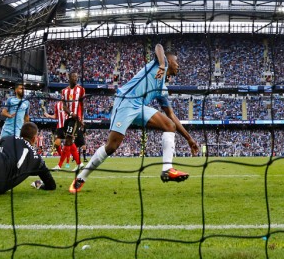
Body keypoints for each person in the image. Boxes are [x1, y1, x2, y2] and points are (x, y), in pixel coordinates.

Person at [69, 44, 199, 193]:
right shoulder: (156, 64)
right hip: (126, 100)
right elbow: (158, 46)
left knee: (169, 125)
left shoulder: (162, 89)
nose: (178, 66)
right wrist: (162, 64)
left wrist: (189, 139)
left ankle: (167, 169)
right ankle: (81, 177)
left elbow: (171, 115)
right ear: (168, 60)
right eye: (176, 61)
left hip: (139, 107)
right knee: (111, 147)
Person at [61, 72, 85, 171]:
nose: (75, 78)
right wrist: (71, 113)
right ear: (69, 78)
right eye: (74, 77)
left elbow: (82, 105)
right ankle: (79, 163)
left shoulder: (81, 90)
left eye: (76, 77)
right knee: (68, 139)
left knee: (69, 139)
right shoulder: (64, 91)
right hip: (69, 117)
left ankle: (61, 164)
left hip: (76, 118)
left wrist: (81, 118)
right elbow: (64, 106)